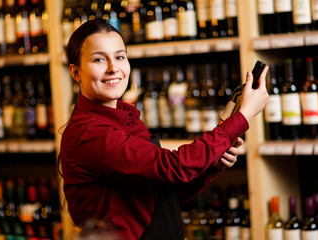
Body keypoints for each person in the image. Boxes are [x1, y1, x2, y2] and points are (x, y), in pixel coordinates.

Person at [59, 19, 269, 240]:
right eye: (99, 59)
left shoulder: (127, 119)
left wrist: (211, 165)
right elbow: (172, 167)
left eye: (120, 57)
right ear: (76, 73)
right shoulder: (90, 132)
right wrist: (242, 117)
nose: (113, 68)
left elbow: (165, 191)